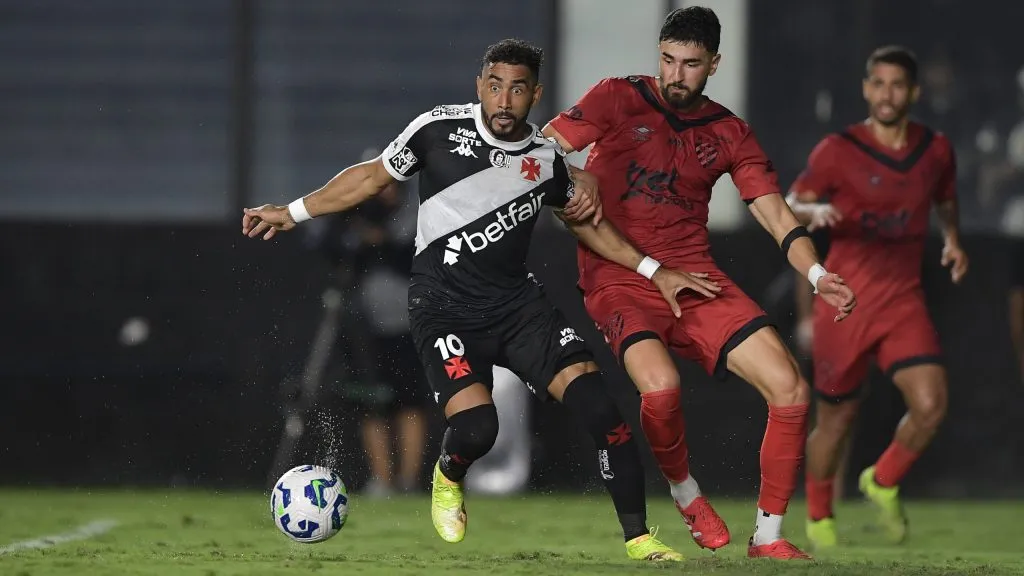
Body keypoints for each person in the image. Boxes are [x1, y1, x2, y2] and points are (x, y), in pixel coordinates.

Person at [242, 39, 719, 562]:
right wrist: (293, 211)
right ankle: (448, 474)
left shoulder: (545, 159)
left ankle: (639, 539)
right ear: (480, 87)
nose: (504, 100)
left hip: (518, 308)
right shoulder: (436, 130)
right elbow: (372, 176)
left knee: (604, 412)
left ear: (534, 94)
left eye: (517, 89)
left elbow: (592, 229)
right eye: (495, 86)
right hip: (442, 305)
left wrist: (656, 270)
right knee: (478, 429)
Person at [543, 6, 856, 560]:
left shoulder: (729, 132)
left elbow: (776, 214)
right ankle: (687, 496)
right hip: (619, 274)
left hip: (695, 279)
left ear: (714, 64)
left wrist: (817, 273)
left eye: (690, 64)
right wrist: (576, 173)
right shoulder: (617, 97)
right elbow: (542, 150)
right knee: (660, 388)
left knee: (791, 391)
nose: (675, 74)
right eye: (667, 60)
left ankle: (768, 538)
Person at [786, 46, 968, 549]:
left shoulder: (935, 149)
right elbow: (787, 205)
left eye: (897, 85)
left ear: (913, 92)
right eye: (878, 84)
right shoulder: (837, 150)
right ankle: (820, 520)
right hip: (844, 303)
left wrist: (952, 238)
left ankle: (882, 479)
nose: (887, 94)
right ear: (866, 89)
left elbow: (945, 196)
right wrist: (811, 212)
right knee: (837, 419)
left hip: (902, 299)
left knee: (931, 403)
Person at [306, 159, 427, 497]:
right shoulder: (355, 216)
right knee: (371, 401)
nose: (382, 191)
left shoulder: (414, 215)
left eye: (389, 183)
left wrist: (379, 240)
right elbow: (325, 244)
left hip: (406, 323)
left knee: (409, 401)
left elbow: (413, 255)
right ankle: (381, 479)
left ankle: (408, 479)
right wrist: (352, 220)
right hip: (364, 327)